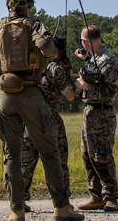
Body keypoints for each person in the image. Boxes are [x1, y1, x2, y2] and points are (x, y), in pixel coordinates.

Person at [0, 0, 84, 221]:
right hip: (31, 93)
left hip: (5, 95)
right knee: (49, 152)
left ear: (8, 3)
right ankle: (61, 207)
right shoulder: (35, 25)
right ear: (29, 3)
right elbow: (48, 48)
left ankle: (16, 210)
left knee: (11, 155)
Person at [21, 42, 76, 210]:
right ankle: (62, 203)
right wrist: (67, 72)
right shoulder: (55, 69)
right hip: (51, 122)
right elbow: (71, 95)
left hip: (28, 121)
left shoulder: (28, 66)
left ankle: (19, 200)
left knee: (25, 163)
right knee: (57, 162)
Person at [74, 24, 118, 211]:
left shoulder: (108, 61)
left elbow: (110, 90)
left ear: (85, 42)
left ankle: (111, 197)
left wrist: (85, 87)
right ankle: (96, 196)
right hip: (91, 112)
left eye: (82, 42)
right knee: (88, 156)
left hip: (102, 113)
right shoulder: (94, 59)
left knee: (102, 156)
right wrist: (86, 59)